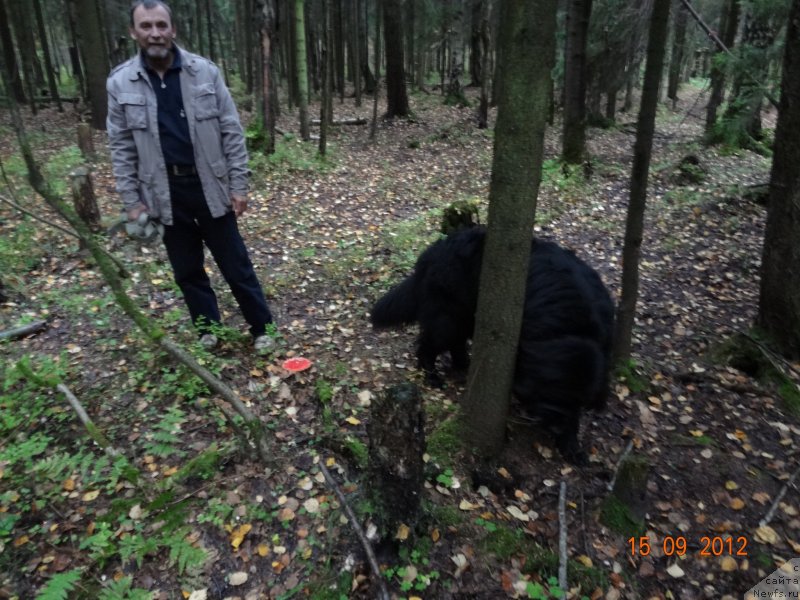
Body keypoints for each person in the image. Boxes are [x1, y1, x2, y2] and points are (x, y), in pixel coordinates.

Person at [107, 0, 274, 352]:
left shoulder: (205, 72)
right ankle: (207, 329)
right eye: (147, 26)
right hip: (162, 193)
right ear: (133, 32)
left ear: (173, 29)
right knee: (187, 270)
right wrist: (132, 202)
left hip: (210, 186)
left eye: (161, 25)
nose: (155, 33)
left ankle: (262, 328)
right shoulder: (121, 83)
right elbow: (121, 148)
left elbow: (232, 131)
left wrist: (239, 185)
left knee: (236, 265)